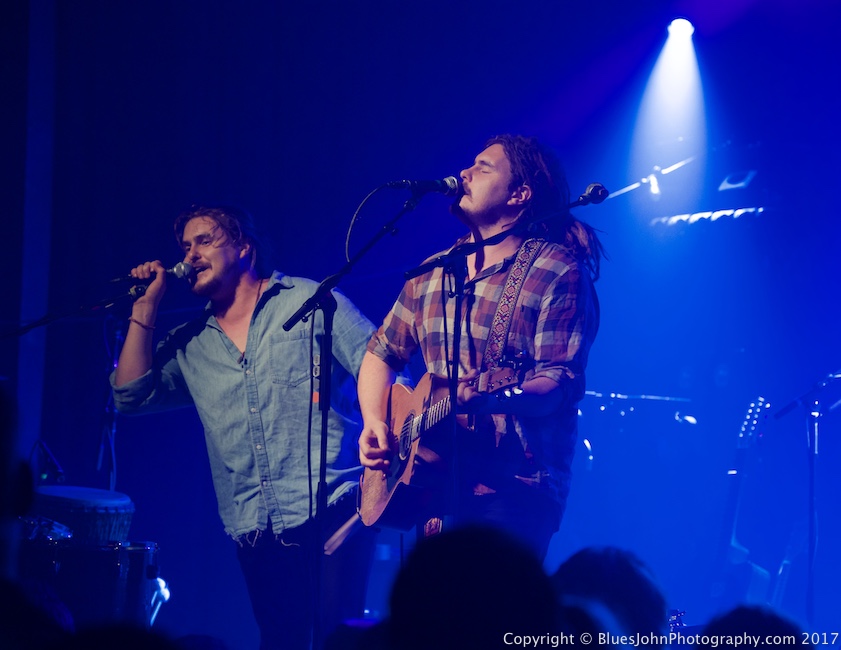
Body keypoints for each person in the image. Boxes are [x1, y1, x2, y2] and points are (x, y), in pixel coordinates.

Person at [111, 206, 377, 650]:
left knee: (338, 640)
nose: (190, 254)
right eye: (185, 246)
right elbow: (130, 395)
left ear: (244, 248)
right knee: (280, 641)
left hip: (336, 507)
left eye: (204, 241)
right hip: (257, 528)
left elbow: (381, 362)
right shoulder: (190, 345)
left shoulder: (310, 301)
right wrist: (145, 305)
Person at [358, 134, 603, 560]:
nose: (464, 173)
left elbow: (558, 384)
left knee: (489, 620)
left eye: (484, 167)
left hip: (515, 486)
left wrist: (489, 401)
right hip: (435, 483)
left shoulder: (556, 271)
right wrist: (375, 423)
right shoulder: (432, 273)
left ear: (519, 195)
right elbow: (381, 352)